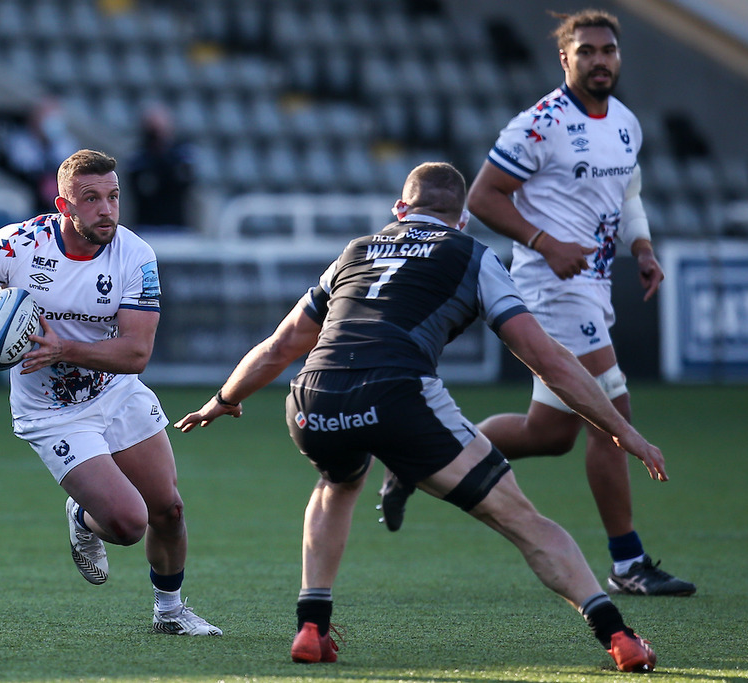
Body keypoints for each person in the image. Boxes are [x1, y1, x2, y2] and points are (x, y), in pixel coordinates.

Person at [174, 162, 662, 672]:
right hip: (397, 394)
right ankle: (618, 636)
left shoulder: (355, 251)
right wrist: (620, 429)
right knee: (519, 518)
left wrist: (224, 398)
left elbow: (281, 345)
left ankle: (312, 627)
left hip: (314, 398)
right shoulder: (472, 254)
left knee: (337, 482)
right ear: (462, 219)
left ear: (400, 209)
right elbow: (546, 358)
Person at [380, 10, 695, 597]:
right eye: (587, 51)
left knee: (548, 432)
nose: (600, 60)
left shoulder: (625, 123)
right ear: (565, 58)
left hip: (592, 284)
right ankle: (627, 562)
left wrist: (643, 247)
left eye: (608, 50)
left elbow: (628, 194)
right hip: (550, 287)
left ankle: (417, 458)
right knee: (612, 413)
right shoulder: (540, 124)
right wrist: (545, 243)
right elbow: (483, 196)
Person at [0, 149, 221, 637]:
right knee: (129, 524)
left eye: (113, 196)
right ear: (64, 206)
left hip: (116, 391)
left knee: (169, 510)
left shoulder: (135, 255)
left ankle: (170, 613)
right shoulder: (19, 244)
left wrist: (62, 349)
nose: (107, 210)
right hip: (52, 412)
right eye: (91, 199)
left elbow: (136, 353)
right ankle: (86, 518)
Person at [126, 103, 196, 232]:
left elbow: (184, 183)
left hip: (176, 226)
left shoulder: (180, 156)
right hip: (146, 226)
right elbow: (142, 187)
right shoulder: (139, 159)